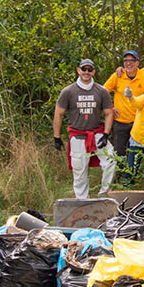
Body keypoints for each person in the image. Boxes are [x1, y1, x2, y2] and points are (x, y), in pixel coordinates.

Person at [53, 59, 115, 198]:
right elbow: (59, 113)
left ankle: (105, 195)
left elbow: (109, 112)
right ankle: (82, 200)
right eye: (84, 69)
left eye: (89, 69)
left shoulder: (101, 91)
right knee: (79, 171)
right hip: (78, 134)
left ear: (93, 71)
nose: (86, 72)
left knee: (111, 160)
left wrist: (106, 134)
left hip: (97, 133)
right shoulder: (68, 91)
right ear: (78, 70)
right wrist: (56, 137)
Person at [104, 50, 144, 157]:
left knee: (136, 154)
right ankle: (119, 174)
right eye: (126, 61)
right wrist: (110, 107)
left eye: (132, 60)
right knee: (119, 153)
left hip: (137, 123)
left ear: (138, 62)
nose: (129, 63)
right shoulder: (117, 76)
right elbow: (102, 92)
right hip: (120, 122)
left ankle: (133, 174)